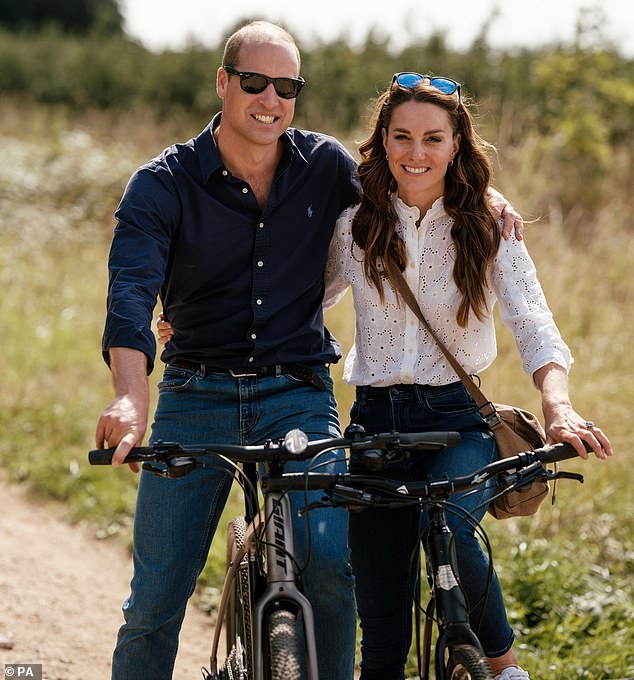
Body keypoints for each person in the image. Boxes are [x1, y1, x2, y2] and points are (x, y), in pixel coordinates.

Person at [98, 19, 522, 680]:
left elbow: (413, 182)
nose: (270, 99)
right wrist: (130, 396)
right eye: (254, 82)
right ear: (223, 82)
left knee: (331, 561)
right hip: (193, 395)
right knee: (155, 601)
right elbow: (130, 291)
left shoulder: (323, 168)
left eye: (286, 86)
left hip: (297, 394)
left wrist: (481, 192)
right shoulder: (161, 185)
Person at [319, 73, 613, 680]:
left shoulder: (486, 223)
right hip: (373, 425)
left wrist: (557, 407)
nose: (416, 153)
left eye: (432, 138)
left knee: (453, 529)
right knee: (381, 631)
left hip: (458, 421)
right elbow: (300, 303)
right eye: (402, 137)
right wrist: (194, 323)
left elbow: (533, 322)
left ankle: (504, 668)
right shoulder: (354, 226)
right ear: (383, 140)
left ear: (457, 144)